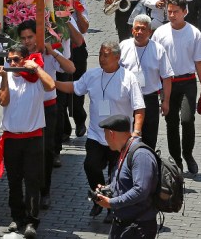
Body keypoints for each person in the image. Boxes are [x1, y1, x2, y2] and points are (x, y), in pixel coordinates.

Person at [55, 40, 145, 219]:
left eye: (106, 55)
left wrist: (136, 131)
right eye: (100, 54)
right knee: (91, 166)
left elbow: (139, 107)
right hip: (97, 134)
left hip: (119, 138)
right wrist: (52, 82)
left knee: (116, 173)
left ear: (117, 57)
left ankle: (113, 207)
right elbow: (74, 87)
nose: (101, 59)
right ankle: (100, 198)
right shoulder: (93, 75)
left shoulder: (128, 78)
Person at [0, 43, 55, 239]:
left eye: (16, 60)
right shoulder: (5, 77)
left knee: (33, 182)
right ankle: (16, 217)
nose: (12, 63)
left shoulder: (35, 78)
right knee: (14, 182)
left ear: (25, 59)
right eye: (9, 60)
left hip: (33, 138)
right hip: (12, 139)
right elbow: (3, 100)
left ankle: (31, 221)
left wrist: (36, 68)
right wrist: (5, 78)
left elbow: (50, 85)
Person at [150, 0, 201, 175]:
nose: (172, 15)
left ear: (185, 11)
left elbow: (200, 63)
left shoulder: (194, 33)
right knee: (171, 123)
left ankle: (188, 154)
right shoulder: (159, 33)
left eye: (176, 12)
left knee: (187, 119)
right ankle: (176, 160)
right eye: (169, 12)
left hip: (188, 82)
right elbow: (154, 61)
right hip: (167, 84)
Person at [92, 114, 159, 239]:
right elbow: (125, 183)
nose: (105, 139)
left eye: (105, 134)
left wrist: (112, 203)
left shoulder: (140, 155)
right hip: (122, 225)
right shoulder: (125, 151)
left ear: (111, 134)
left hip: (137, 228)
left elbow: (141, 190)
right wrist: (109, 189)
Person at [118, 14, 173, 150]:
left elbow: (166, 77)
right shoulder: (123, 46)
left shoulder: (158, 49)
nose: (139, 32)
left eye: (143, 29)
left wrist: (165, 101)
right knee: (126, 135)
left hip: (149, 98)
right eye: (137, 28)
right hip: (127, 99)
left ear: (150, 31)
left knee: (149, 138)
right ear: (132, 30)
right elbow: (114, 71)